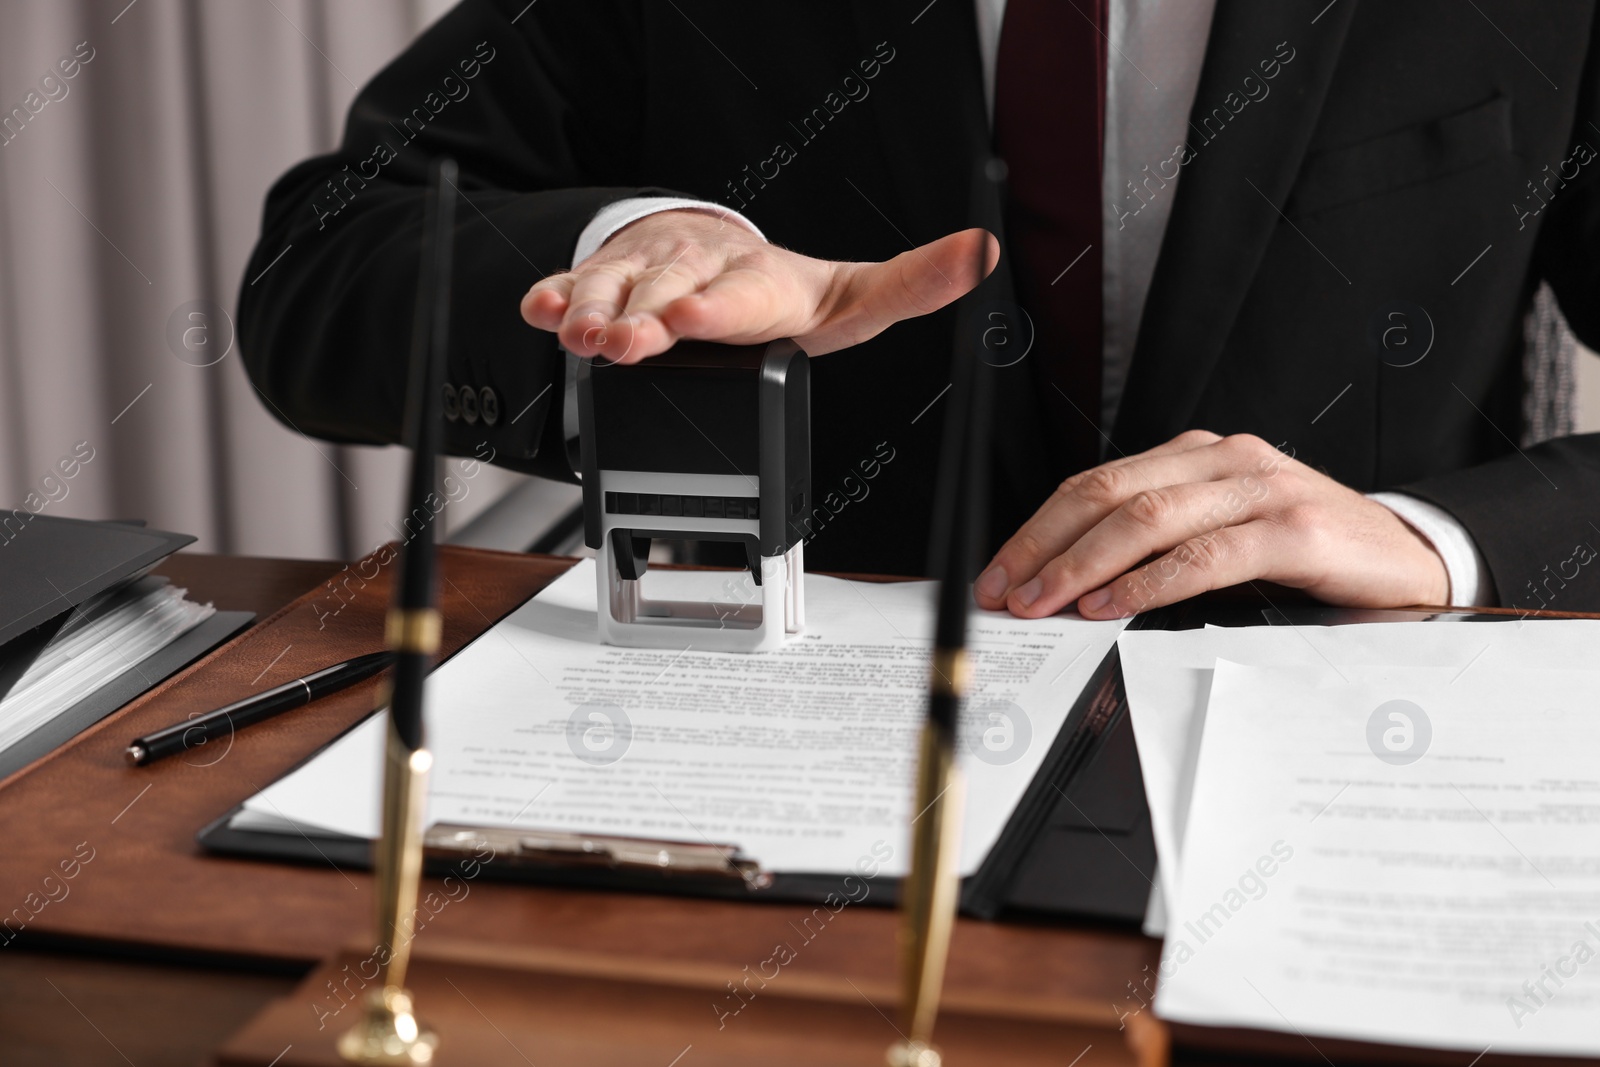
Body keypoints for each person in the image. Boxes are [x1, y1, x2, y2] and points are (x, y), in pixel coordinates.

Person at [238, 0, 1600, 618]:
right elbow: (319, 263)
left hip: (1343, 762)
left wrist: (1444, 544)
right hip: (789, 785)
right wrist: (627, 249)